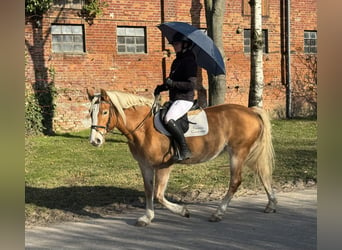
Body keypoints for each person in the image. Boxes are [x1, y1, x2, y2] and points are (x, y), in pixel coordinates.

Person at [154, 32, 198, 160]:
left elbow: (190, 85)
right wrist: (162, 87)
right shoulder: (176, 61)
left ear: (185, 44)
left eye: (177, 44)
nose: (174, 46)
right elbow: (172, 83)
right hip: (175, 99)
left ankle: (185, 150)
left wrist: (172, 83)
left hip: (185, 99)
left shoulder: (190, 61)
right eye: (174, 44)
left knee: (169, 118)